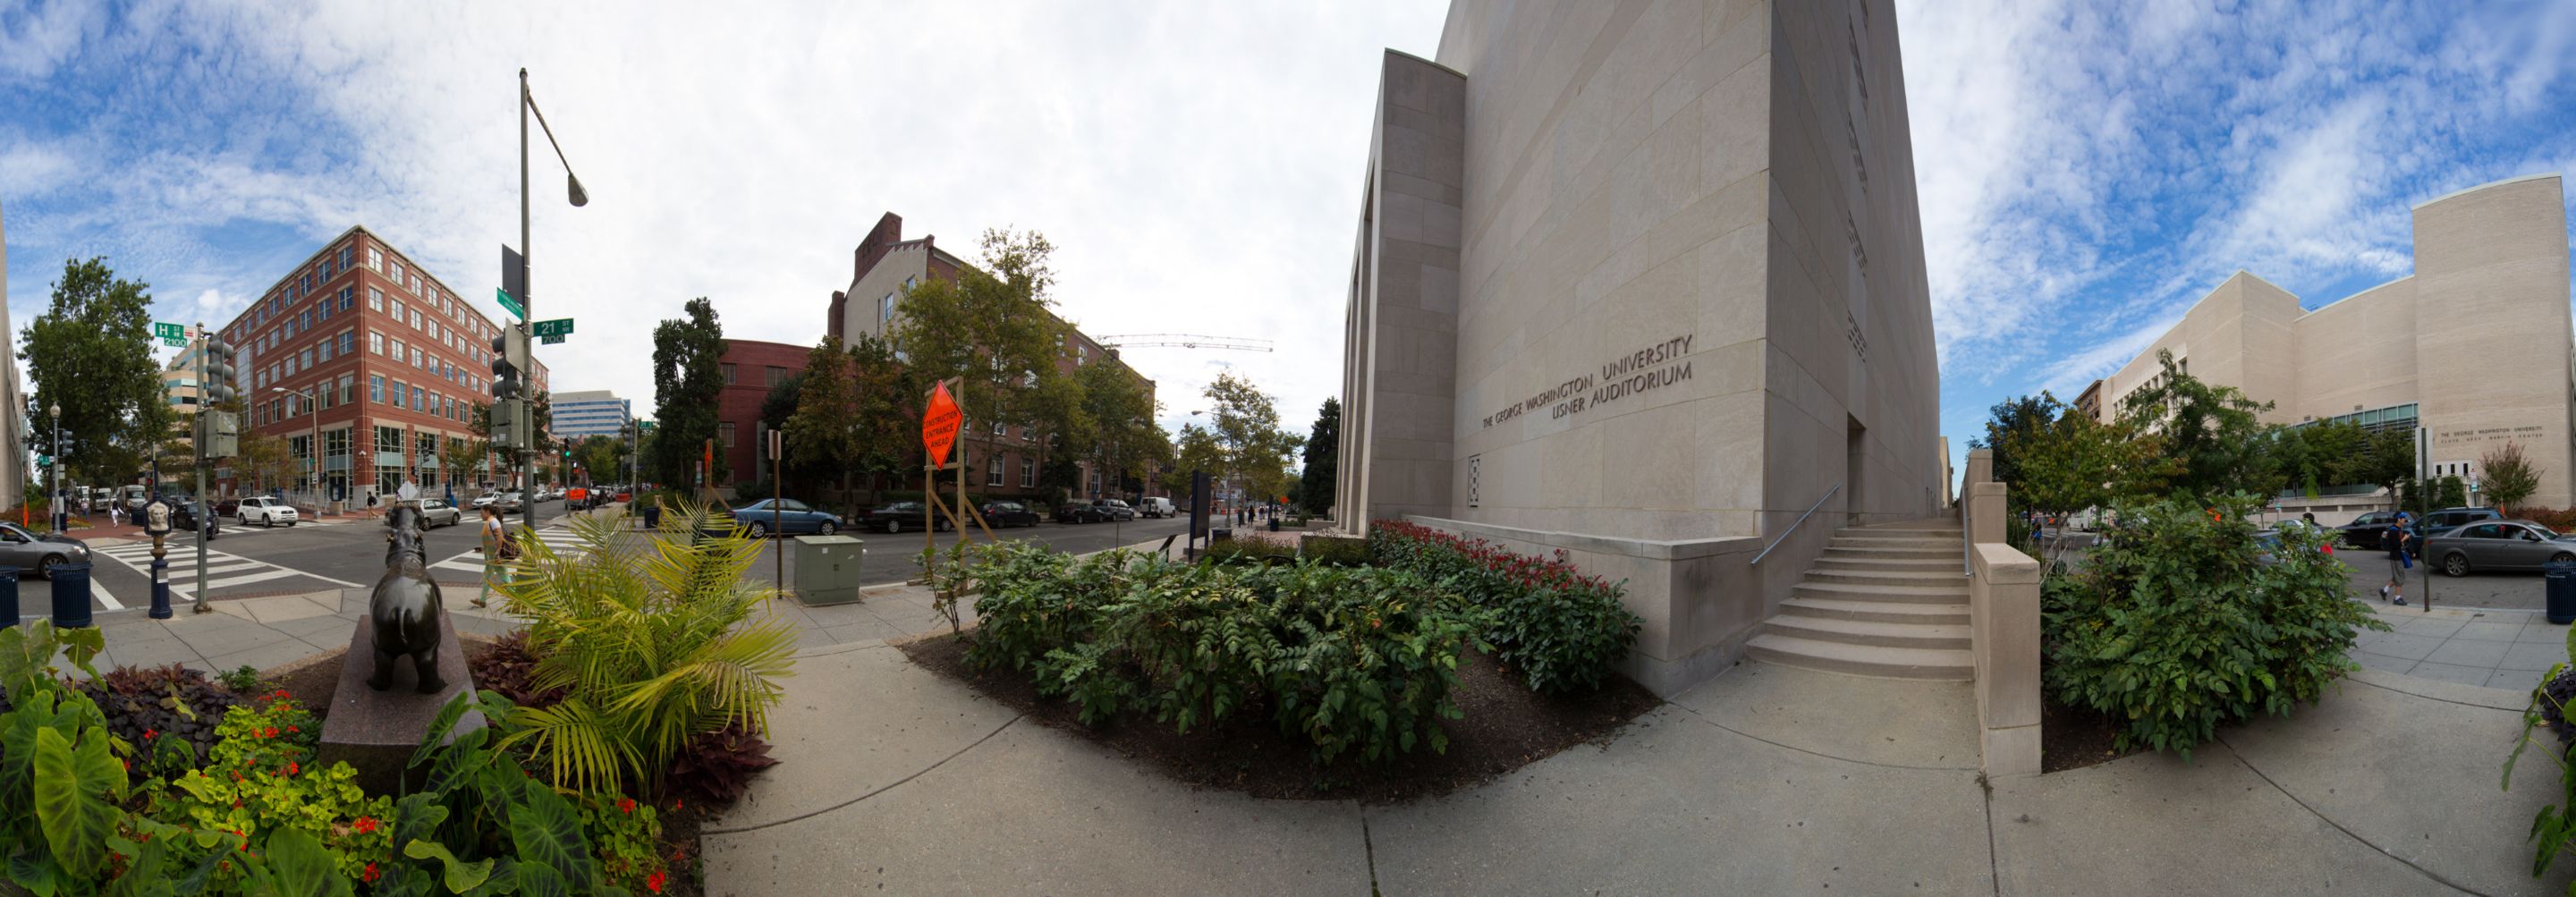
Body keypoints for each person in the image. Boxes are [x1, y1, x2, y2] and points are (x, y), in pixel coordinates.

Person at [476, 504, 506, 608]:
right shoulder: (490, 522)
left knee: (505, 578)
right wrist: (483, 548)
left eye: (482, 512)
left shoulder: (493, 522)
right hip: (491, 557)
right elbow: (492, 540)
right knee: (488, 578)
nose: (480, 515)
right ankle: (482, 600)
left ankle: (520, 600)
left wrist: (497, 552)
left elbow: (500, 537)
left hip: (495, 557)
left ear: (487, 511)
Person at [2383, 512, 2411, 605]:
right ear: (2399, 519)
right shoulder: (2393, 530)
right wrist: (2404, 538)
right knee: (2400, 578)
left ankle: (2384, 590)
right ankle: (2397, 598)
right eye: (2403, 518)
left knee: (2397, 576)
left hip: (2399, 555)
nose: (2404, 519)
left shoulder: (2399, 528)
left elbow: (2400, 543)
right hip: (2395, 557)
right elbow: (2395, 545)